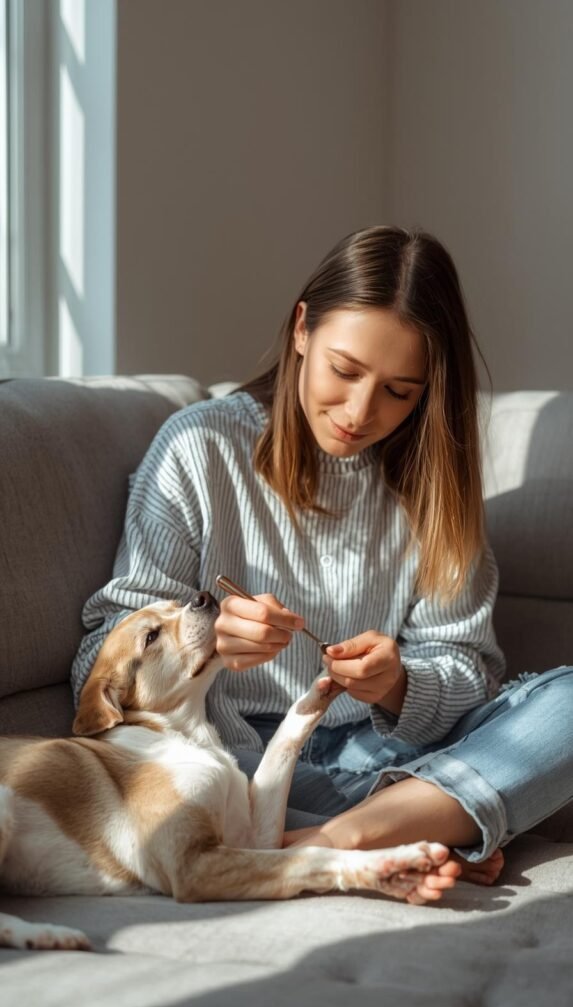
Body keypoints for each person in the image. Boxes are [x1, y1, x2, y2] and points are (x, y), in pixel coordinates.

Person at [71, 225, 573, 904]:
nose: (360, 413)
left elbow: (470, 676)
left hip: (395, 761)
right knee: (260, 787)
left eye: (399, 391)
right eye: (344, 370)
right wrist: (207, 642)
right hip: (235, 764)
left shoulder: (432, 490)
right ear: (301, 329)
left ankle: (339, 841)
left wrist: (399, 683)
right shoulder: (201, 449)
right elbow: (95, 667)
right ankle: (437, 821)